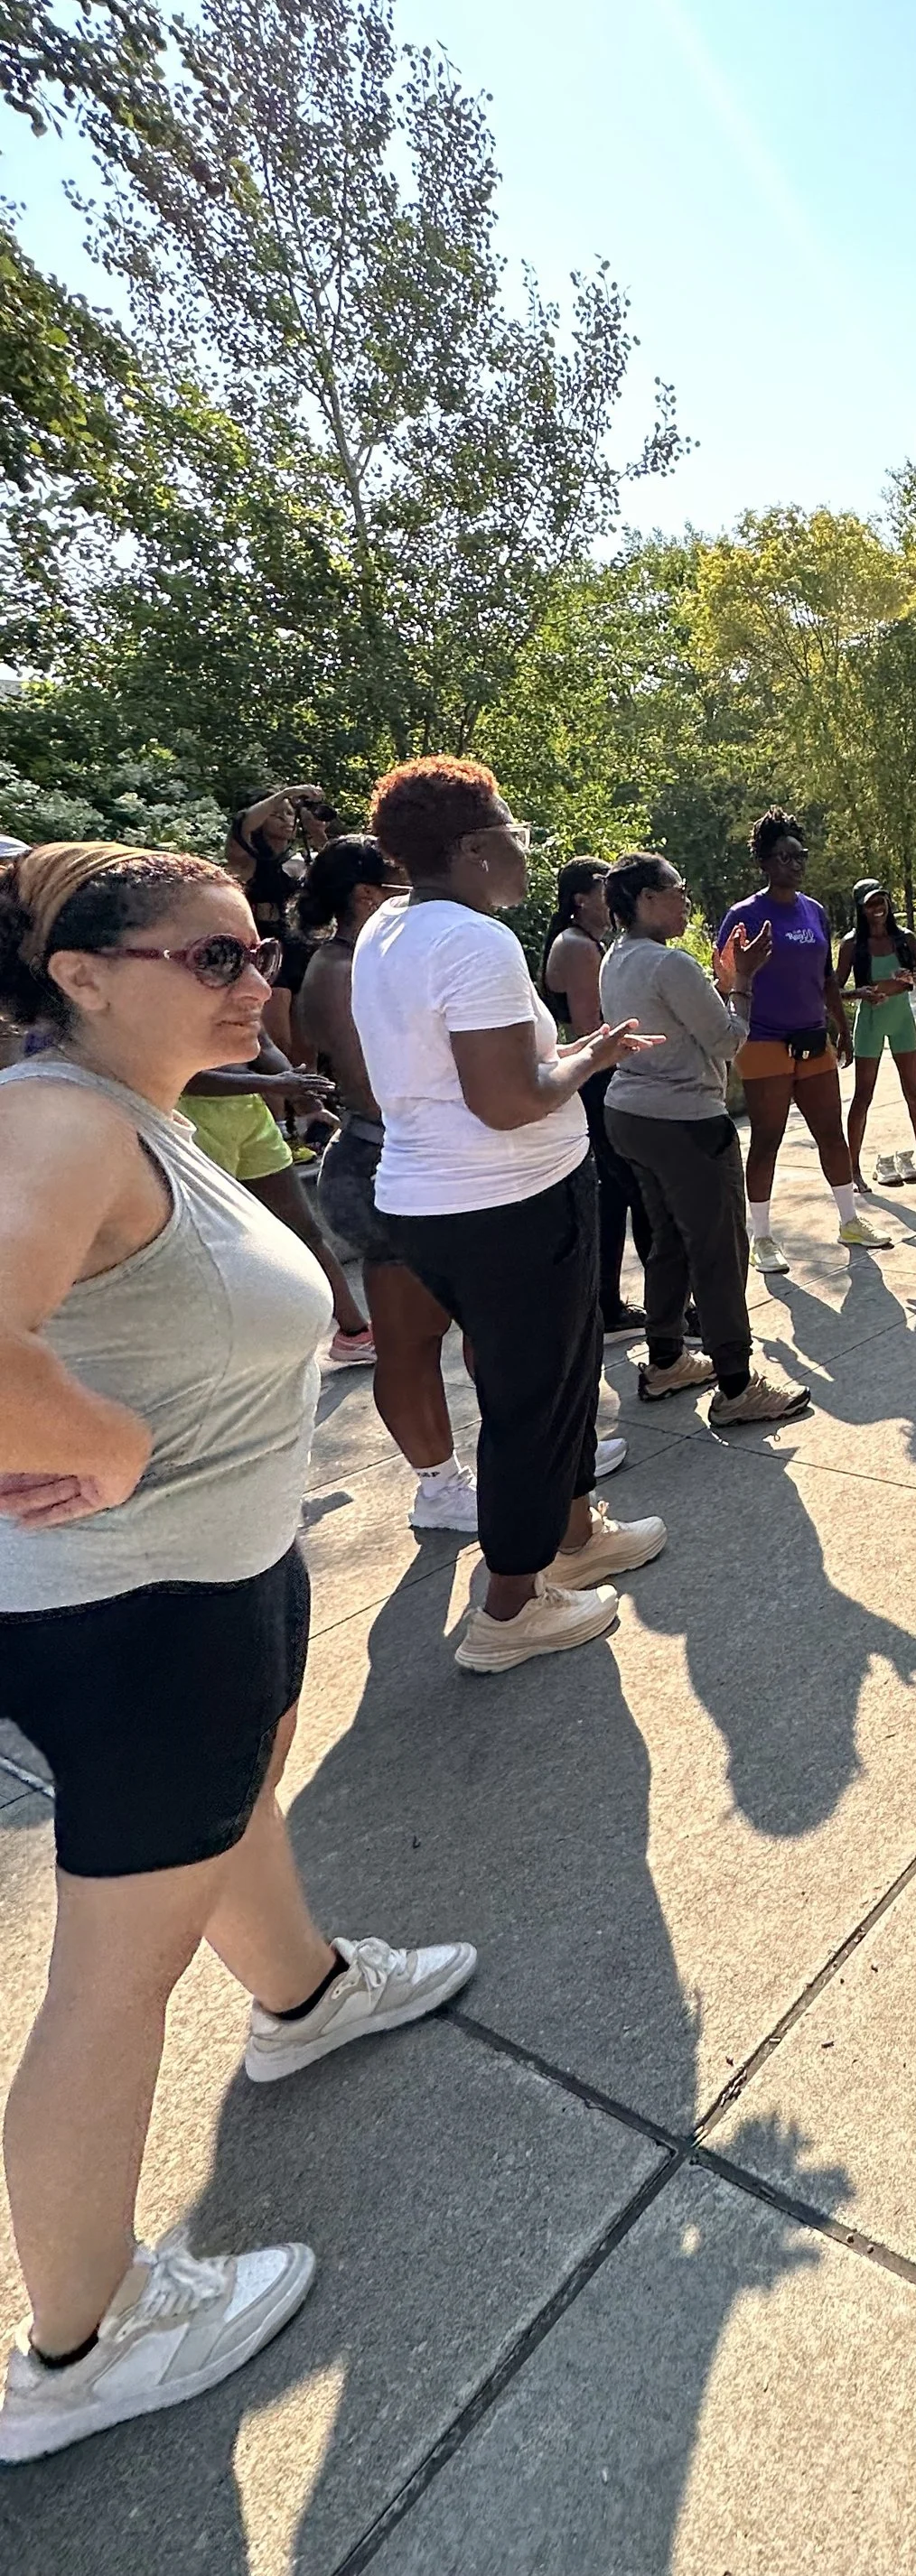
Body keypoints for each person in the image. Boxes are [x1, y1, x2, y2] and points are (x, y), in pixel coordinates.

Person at [0, 843, 473, 2465]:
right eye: (210, 957)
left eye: (256, 950)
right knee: (110, 1985)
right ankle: (82, 2336)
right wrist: (109, 1443)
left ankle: (305, 1990)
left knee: (234, 1803)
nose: (253, 977)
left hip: (193, 1592)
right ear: (81, 971)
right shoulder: (60, 1118)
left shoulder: (136, 1114)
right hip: (137, 1611)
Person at [357, 758, 668, 1673]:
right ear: (469, 850)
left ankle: (575, 1535)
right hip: (511, 1203)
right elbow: (507, 1099)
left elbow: (459, 1074)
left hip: (432, 1200)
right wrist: (590, 1060)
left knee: (557, 1381)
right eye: (509, 831)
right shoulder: (476, 941)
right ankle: (509, 1610)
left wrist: (568, 1054)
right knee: (533, 1402)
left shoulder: (389, 928)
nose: (522, 846)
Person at [295, 837, 480, 1532]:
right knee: (408, 1340)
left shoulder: (363, 958)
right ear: (367, 896)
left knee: (475, 1322)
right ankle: (439, 1488)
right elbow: (374, 1091)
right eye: (402, 880)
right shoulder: (339, 969)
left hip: (413, 1160)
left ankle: (528, 1455)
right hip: (386, 1166)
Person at [601, 853, 810, 1429]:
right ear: (645, 899)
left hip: (632, 1114)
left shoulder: (615, 958)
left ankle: (666, 1358)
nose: (686, 899)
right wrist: (742, 983)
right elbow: (725, 1043)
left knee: (668, 1240)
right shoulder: (668, 964)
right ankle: (737, 1385)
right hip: (685, 1123)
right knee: (719, 1250)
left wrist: (722, 981)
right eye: (677, 888)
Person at [714, 811, 891, 1272]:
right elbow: (725, 976)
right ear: (764, 863)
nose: (795, 864)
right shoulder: (744, 915)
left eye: (801, 856)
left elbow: (826, 976)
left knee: (832, 1134)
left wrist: (841, 1026)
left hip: (814, 1040)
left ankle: (850, 1220)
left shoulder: (814, 911)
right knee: (767, 1138)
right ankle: (764, 1236)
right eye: (785, 857)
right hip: (766, 1041)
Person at [179, 1043, 375, 1368]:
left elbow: (263, 1044)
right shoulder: (159, 996)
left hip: (249, 1113)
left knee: (305, 1230)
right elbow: (181, 1075)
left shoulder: (242, 992)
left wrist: (308, 1102)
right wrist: (272, 1085)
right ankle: (223, 1360)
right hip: (193, 1117)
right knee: (212, 1241)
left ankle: (354, 1334)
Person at [541, 860, 650, 1340]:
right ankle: (623, 1304)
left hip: (599, 1077)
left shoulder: (585, 942)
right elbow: (591, 1029)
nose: (613, 897)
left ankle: (609, 1303)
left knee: (616, 1196)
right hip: (598, 1080)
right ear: (580, 897)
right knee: (631, 1190)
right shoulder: (577, 946)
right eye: (604, 888)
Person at [837, 877, 916, 1188]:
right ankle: (853, 1169)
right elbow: (835, 989)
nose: (878, 908)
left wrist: (913, 980)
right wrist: (861, 993)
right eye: (871, 903)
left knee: (914, 1092)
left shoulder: (905, 938)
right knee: (863, 1096)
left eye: (882, 901)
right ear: (861, 908)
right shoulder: (852, 944)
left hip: (902, 1019)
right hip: (870, 1020)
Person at [224, 786, 332, 940]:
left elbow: (339, 866)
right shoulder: (246, 858)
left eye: (289, 813)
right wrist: (285, 794)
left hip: (295, 947)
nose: (285, 818)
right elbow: (242, 825)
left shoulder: (300, 860)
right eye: (275, 814)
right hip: (255, 942)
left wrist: (317, 831)